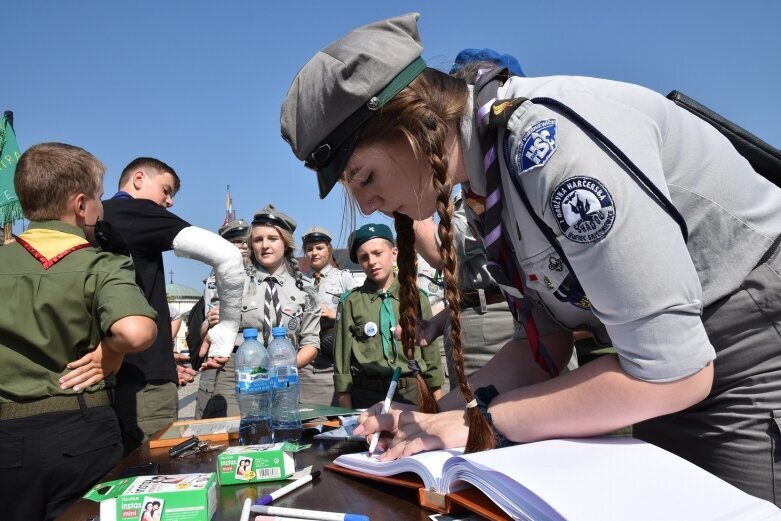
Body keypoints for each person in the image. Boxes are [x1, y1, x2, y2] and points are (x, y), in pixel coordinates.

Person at [280, 13, 781, 503]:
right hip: (664, 370)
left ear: (416, 123)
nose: (367, 205)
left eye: (364, 177)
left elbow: (674, 371)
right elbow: (541, 346)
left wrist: (486, 421)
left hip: (748, 348)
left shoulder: (549, 151)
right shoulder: (485, 182)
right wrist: (427, 416)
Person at [0, 142, 157, 521]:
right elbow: (135, 331)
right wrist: (112, 351)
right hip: (79, 431)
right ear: (81, 204)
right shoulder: (100, 263)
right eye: (100, 198)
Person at [98, 157, 244, 454]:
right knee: (153, 475)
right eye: (166, 190)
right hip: (143, 382)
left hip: (99, 382)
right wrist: (228, 329)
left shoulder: (92, 220)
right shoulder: (136, 211)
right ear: (138, 179)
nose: (168, 202)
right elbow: (227, 256)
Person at [201, 204, 320, 417]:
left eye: (272, 239)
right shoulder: (233, 281)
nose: (265, 246)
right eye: (258, 240)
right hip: (238, 374)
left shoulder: (307, 289)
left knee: (280, 436)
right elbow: (207, 333)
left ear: (286, 243)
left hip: (283, 375)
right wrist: (211, 324)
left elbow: (311, 343)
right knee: (235, 436)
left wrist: (283, 368)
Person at [413, 195, 519, 391]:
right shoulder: (467, 193)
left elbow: (439, 251)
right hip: (479, 317)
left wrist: (410, 198)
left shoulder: (478, 191)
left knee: (481, 413)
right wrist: (438, 322)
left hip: (498, 326)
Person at [334, 223, 444, 409]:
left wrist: (438, 406)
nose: (372, 262)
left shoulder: (416, 298)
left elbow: (431, 359)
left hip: (411, 392)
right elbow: (342, 363)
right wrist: (348, 416)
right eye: (364, 258)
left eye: (378, 253)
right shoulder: (350, 302)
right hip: (367, 395)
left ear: (394, 253)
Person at [194, 218, 251, 419]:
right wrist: (210, 321)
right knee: (211, 415)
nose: (243, 246)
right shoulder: (214, 280)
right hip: (220, 354)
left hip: (251, 354)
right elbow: (205, 326)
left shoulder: (261, 276)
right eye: (236, 241)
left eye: (246, 241)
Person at [301, 225, 358, 405]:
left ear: (329, 249)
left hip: (334, 357)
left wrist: (336, 314)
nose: (314, 253)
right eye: (309, 249)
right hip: (307, 360)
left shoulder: (343, 278)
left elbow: (360, 311)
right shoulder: (298, 282)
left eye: (319, 248)